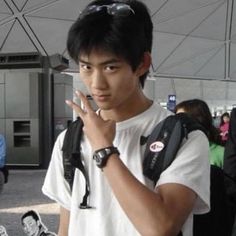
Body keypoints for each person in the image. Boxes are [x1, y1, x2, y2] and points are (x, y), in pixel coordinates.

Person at [42, 1, 210, 235]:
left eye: (110, 68)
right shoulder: (70, 140)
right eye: (86, 67)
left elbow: (161, 228)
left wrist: (103, 149)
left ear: (142, 64)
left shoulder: (183, 137)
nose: (96, 83)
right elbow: (66, 227)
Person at [175, 99, 224, 168]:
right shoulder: (172, 152)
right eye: (176, 118)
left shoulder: (221, 154)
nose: (176, 124)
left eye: (181, 119)